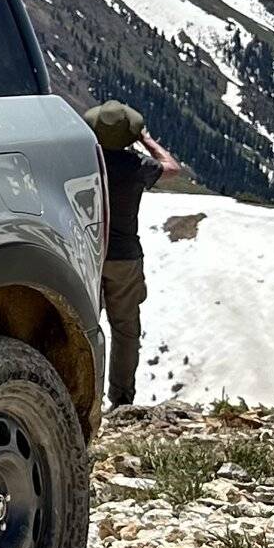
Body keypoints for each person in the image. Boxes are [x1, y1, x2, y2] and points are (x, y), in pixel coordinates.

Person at [86, 99, 163, 411]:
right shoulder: (138, 167)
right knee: (126, 330)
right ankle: (121, 399)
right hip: (125, 258)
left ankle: (83, 398)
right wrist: (147, 140)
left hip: (90, 254)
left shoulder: (86, 162)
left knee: (87, 327)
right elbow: (171, 168)